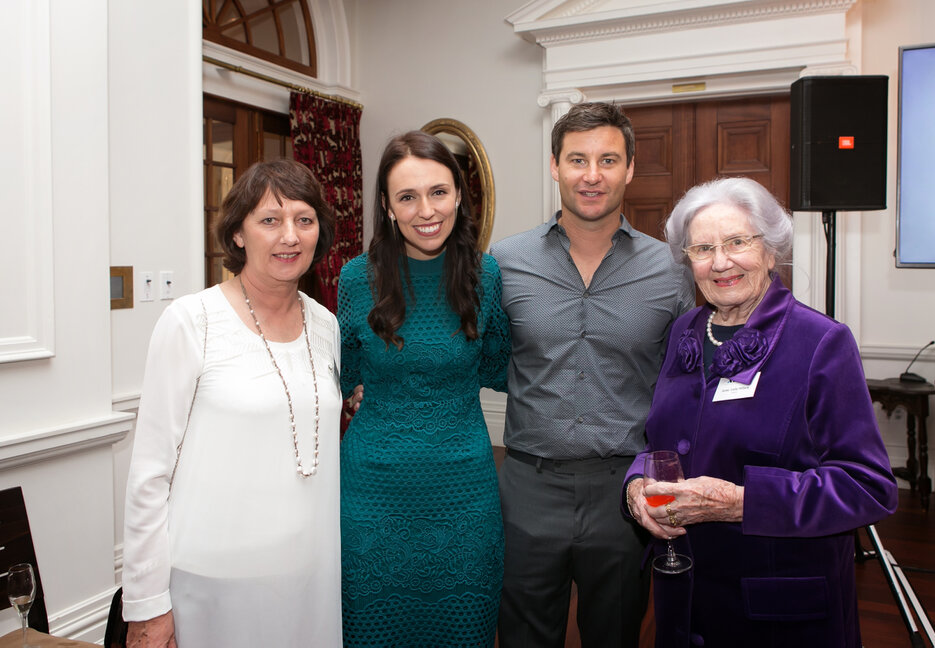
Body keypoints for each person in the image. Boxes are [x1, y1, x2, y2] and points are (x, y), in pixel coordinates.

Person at [623, 176, 898, 647]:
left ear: (771, 250)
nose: (720, 262)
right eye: (702, 248)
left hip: (778, 610)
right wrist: (635, 484)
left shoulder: (821, 342)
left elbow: (867, 486)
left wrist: (739, 503)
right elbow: (659, 443)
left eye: (736, 242)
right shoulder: (685, 332)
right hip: (685, 594)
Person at [490, 102, 695, 647]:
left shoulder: (670, 270)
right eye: (577, 159)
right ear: (554, 166)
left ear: (630, 168)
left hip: (625, 491)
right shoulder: (504, 262)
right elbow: (479, 355)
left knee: (617, 635)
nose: (592, 175)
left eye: (608, 160)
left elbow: (687, 381)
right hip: (528, 486)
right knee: (521, 638)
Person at [122, 159, 343, 647]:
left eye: (304, 220)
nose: (289, 236)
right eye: (270, 220)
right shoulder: (190, 322)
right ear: (238, 234)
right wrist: (147, 606)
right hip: (212, 584)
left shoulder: (327, 326)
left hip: (310, 577)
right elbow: (149, 475)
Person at [337, 130, 510, 647]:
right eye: (406, 197)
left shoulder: (486, 274)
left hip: (464, 492)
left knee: (463, 630)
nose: (425, 210)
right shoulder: (355, 278)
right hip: (373, 494)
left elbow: (498, 366)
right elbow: (340, 376)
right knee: (372, 629)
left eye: (437, 191)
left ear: (459, 194)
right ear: (387, 208)